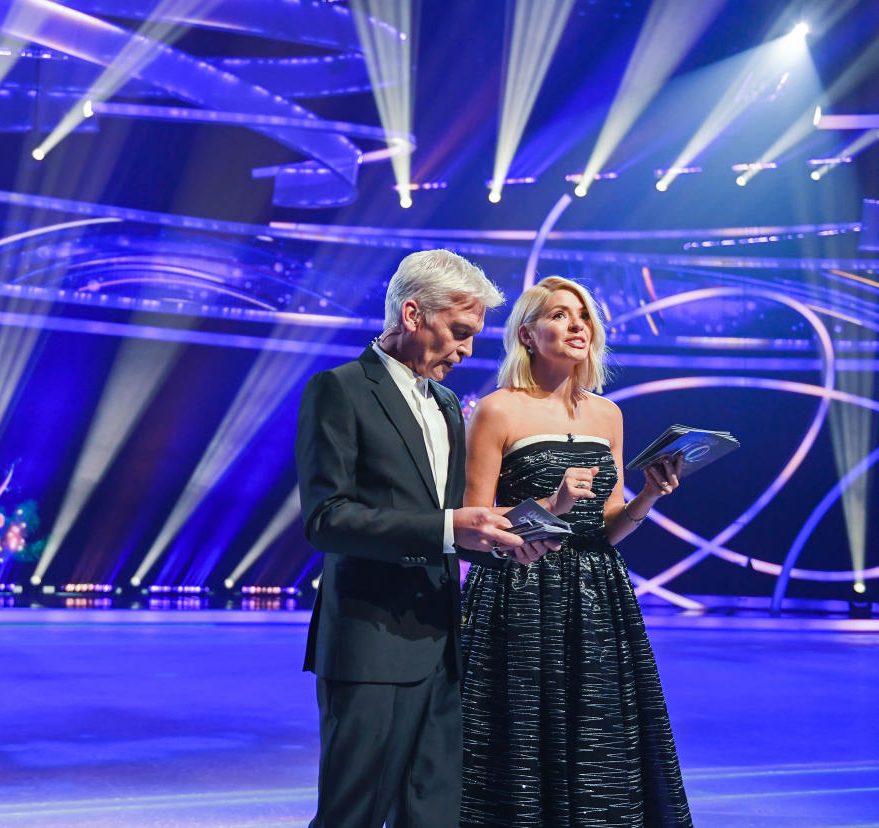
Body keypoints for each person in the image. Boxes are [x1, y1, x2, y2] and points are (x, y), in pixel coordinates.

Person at [295, 249, 552, 828]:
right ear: (412, 315)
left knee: (433, 815)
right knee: (353, 815)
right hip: (368, 644)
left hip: (442, 643)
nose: (466, 351)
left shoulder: (444, 404)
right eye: (460, 333)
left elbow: (452, 523)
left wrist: (500, 540)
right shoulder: (337, 390)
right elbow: (327, 519)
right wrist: (448, 526)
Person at [458, 275, 693, 827]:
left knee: (598, 733)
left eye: (583, 316)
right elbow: (476, 527)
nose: (577, 325)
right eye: (561, 315)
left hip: (596, 596)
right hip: (518, 590)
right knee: (517, 734)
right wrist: (551, 505)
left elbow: (609, 525)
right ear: (527, 334)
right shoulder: (497, 410)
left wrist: (649, 497)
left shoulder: (607, 415)